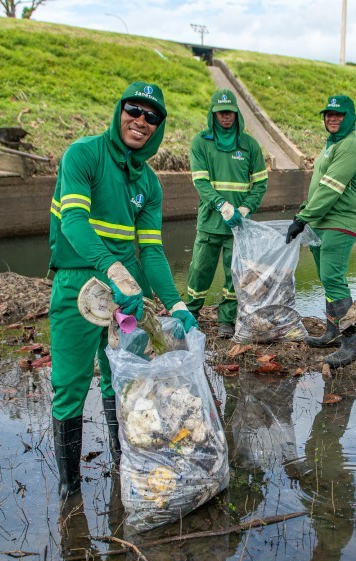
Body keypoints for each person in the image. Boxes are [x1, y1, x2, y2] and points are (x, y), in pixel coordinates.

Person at [47, 81, 197, 498]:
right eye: (134, 110)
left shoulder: (149, 183)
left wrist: (176, 302)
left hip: (125, 294)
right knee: (70, 384)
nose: (141, 121)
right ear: (120, 111)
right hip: (79, 282)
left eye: (153, 117)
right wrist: (113, 270)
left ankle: (123, 463)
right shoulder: (84, 155)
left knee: (123, 379)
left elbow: (150, 251)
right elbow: (73, 223)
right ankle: (70, 487)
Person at [284, 95, 356, 369]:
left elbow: (332, 189)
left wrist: (302, 217)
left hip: (340, 220)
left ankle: (351, 344)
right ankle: (332, 333)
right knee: (326, 278)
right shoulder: (332, 145)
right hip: (322, 221)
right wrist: (305, 213)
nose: (332, 119)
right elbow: (320, 186)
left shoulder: (351, 146)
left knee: (333, 277)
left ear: (350, 117)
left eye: (338, 115)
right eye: (328, 115)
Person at [185, 89, 269, 338]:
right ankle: (190, 313)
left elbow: (260, 184)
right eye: (221, 112)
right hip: (210, 222)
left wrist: (244, 209)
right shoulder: (201, 143)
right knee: (199, 270)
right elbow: (201, 183)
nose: (226, 117)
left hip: (239, 226)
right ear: (213, 113)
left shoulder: (249, 145)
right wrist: (222, 205)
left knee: (234, 276)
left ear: (236, 113)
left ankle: (226, 320)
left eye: (230, 112)